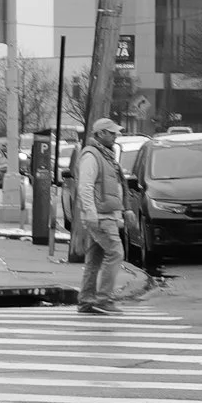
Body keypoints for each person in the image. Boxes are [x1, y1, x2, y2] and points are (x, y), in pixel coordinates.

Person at [74, 118, 128, 315]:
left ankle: (86, 300)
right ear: (100, 134)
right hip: (100, 216)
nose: (115, 136)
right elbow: (85, 187)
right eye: (111, 132)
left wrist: (119, 214)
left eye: (115, 133)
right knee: (115, 253)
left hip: (103, 215)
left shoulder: (105, 156)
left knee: (94, 259)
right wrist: (91, 213)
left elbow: (114, 188)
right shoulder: (91, 156)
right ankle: (103, 299)